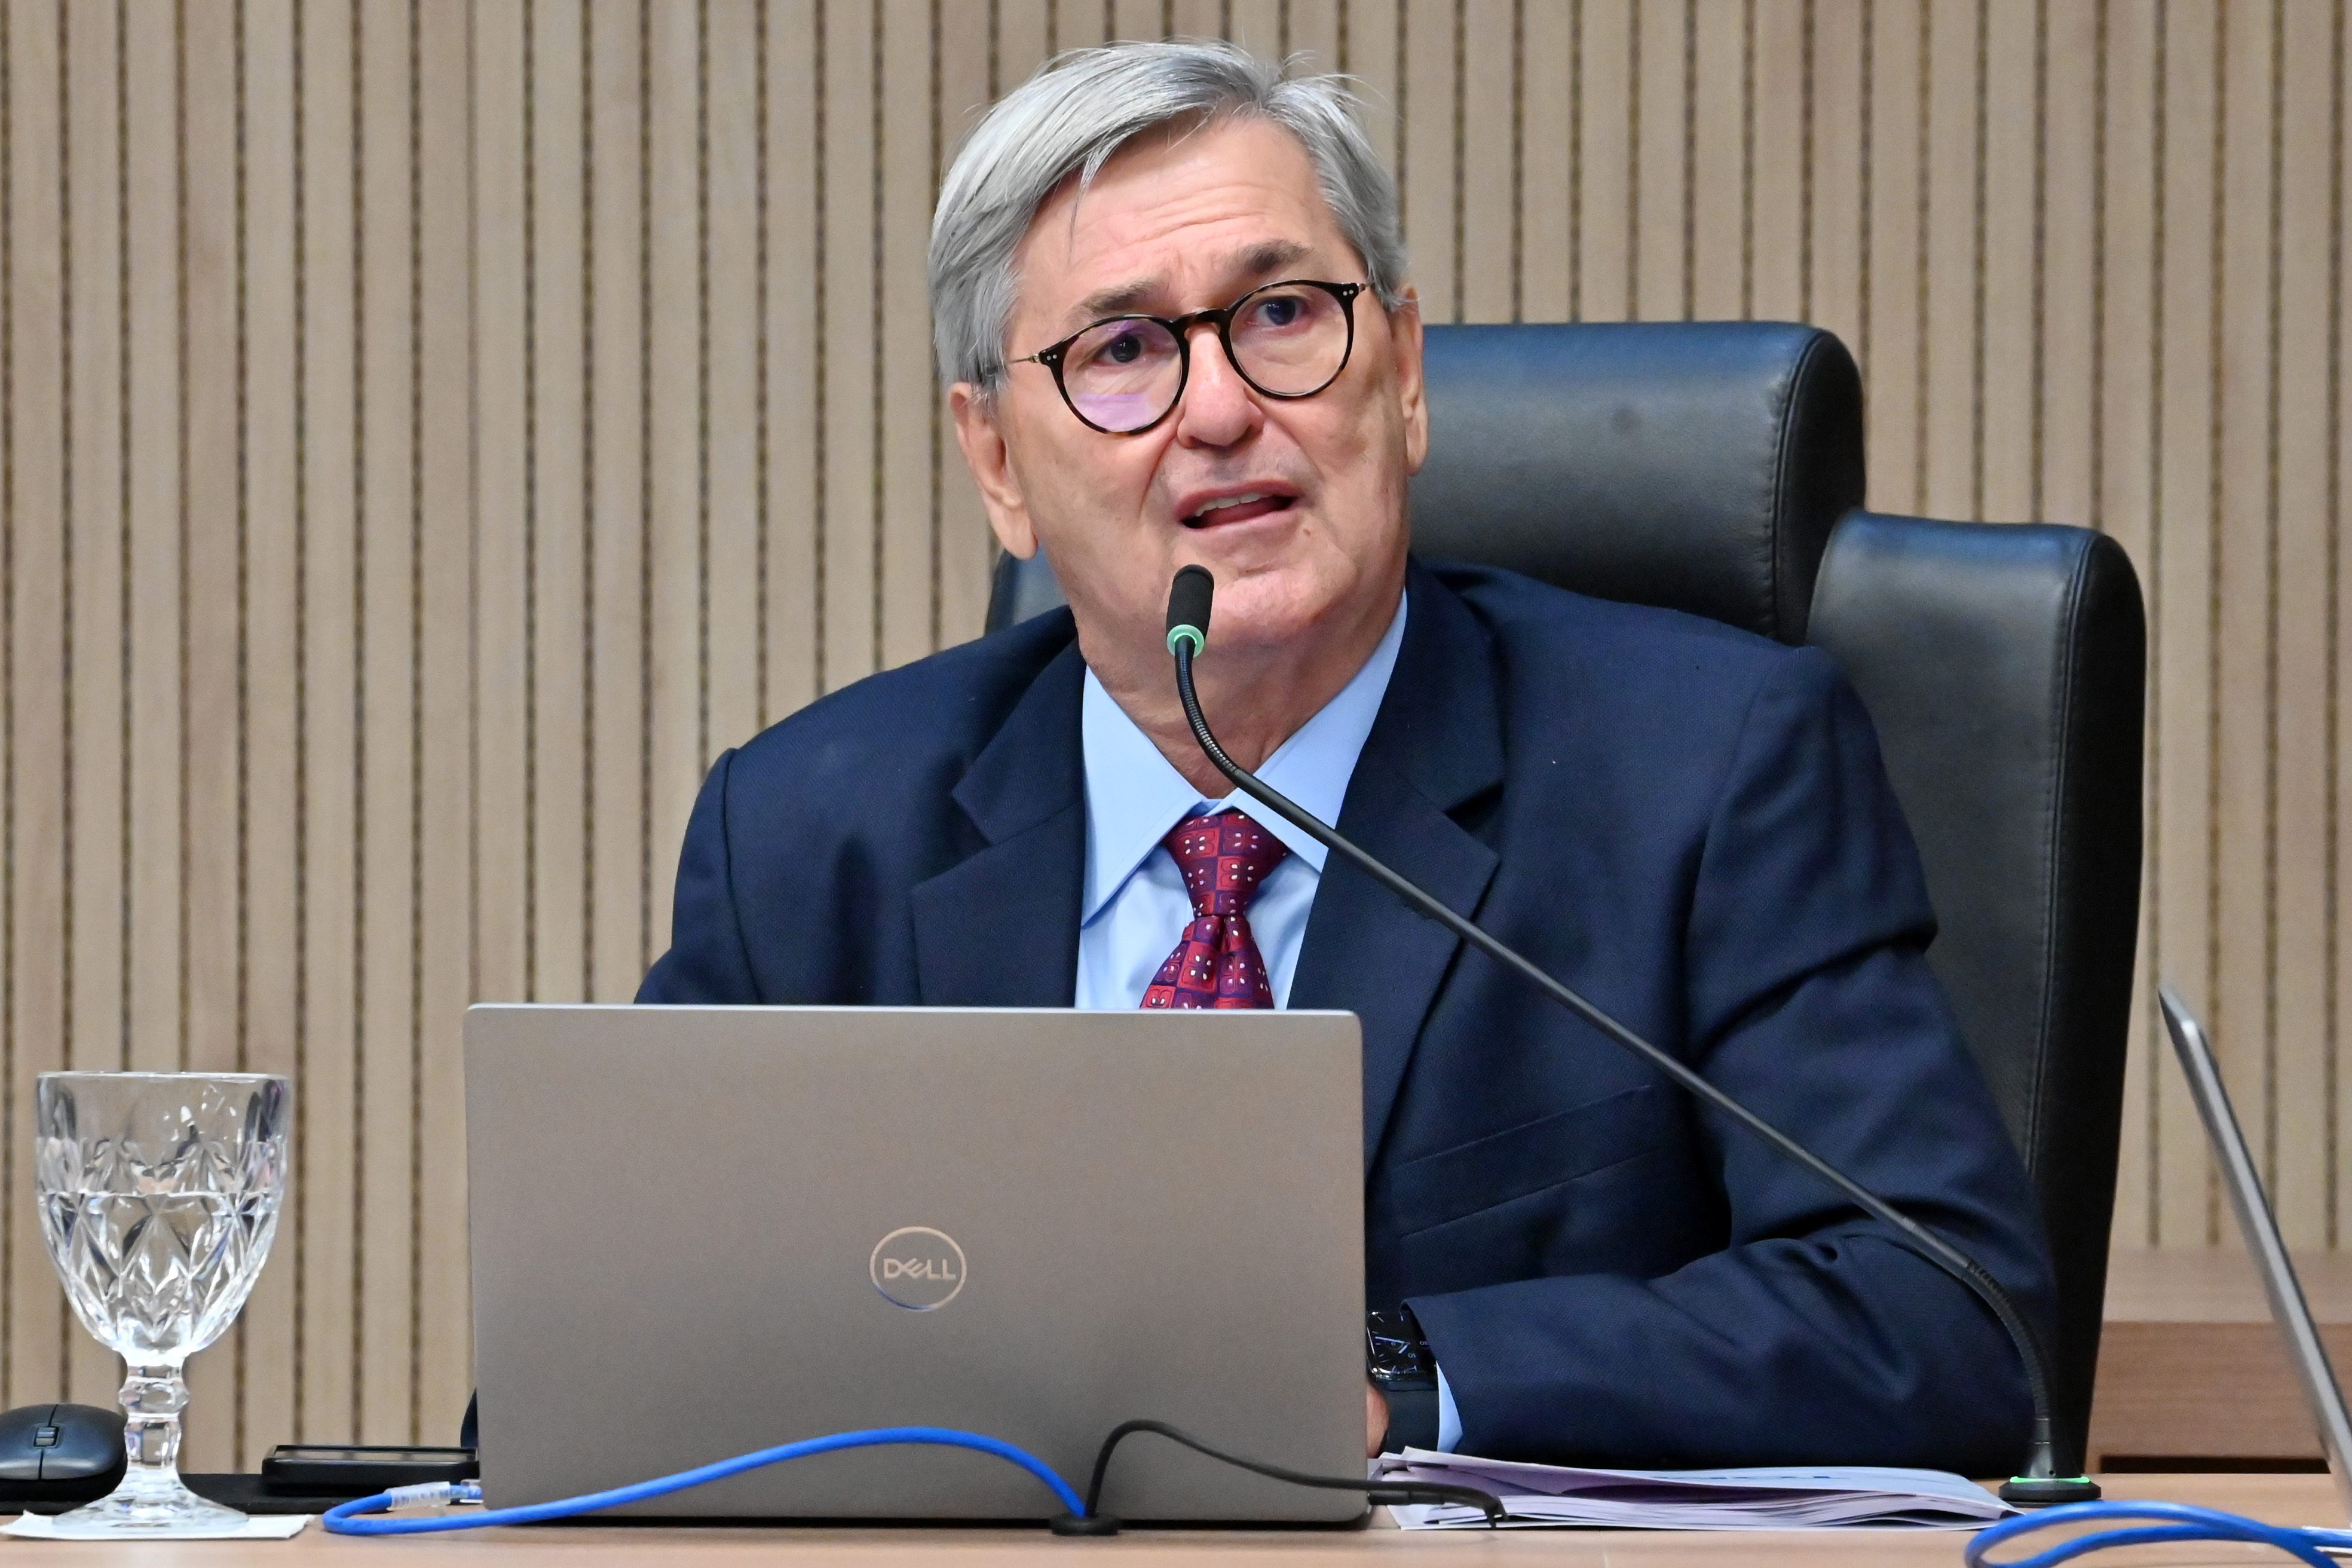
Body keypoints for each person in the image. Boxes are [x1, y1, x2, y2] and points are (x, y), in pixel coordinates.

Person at [638, 39, 2057, 1474]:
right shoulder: (806, 836)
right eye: (1122, 351)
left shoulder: (1709, 772)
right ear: (998, 460)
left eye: (1281, 314)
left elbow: (1945, 1317)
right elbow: (606, 1350)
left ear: (1405, 373)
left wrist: (1389, 1376)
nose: (1219, 410)